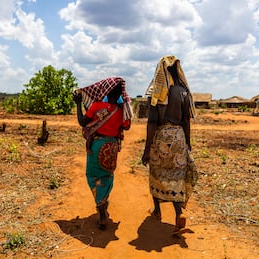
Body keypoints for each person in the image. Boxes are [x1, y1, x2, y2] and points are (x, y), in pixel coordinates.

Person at [141, 55, 197, 235]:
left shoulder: (157, 91)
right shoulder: (183, 91)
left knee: (157, 174)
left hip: (161, 138)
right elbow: (187, 120)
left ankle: (157, 210)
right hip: (179, 137)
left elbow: (151, 123)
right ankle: (179, 213)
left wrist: (146, 149)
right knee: (177, 178)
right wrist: (187, 143)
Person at [73, 77, 133, 230]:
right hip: (112, 147)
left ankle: (102, 214)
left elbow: (82, 122)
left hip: (97, 146)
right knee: (107, 176)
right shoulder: (120, 111)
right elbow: (126, 127)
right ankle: (104, 203)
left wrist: (78, 104)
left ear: (105, 90)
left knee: (93, 176)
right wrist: (125, 105)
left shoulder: (97, 106)